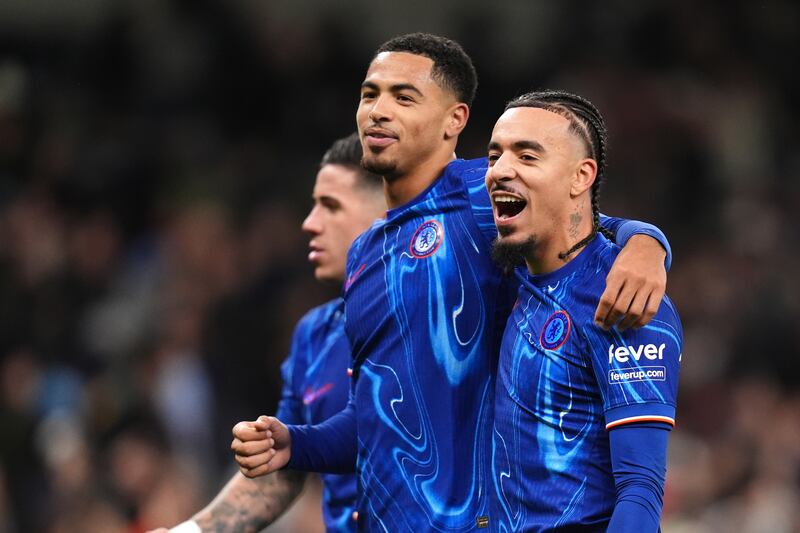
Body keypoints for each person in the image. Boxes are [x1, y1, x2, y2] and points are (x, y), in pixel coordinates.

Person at [232, 33, 672, 532]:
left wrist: (647, 244)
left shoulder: (477, 193)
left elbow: (577, 218)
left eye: (403, 97)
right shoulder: (365, 253)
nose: (378, 110)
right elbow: (377, 412)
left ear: (454, 121)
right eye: (369, 93)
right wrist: (299, 443)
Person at [148, 133, 386, 533]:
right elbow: (283, 468)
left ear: (384, 214)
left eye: (330, 206)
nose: (309, 223)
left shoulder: (442, 313)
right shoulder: (314, 335)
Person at [487, 90, 681, 531]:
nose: (500, 170)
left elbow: (640, 489)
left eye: (527, 156)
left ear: (581, 176)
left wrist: (645, 246)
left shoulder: (622, 295)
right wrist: (647, 237)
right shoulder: (517, 270)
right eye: (494, 155)